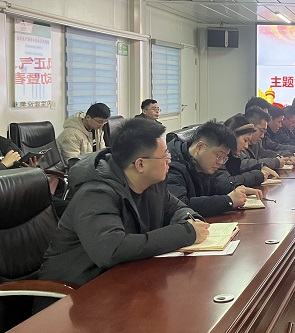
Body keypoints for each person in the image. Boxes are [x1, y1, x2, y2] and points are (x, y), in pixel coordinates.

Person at [37, 118, 208, 288]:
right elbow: (112, 249)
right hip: (74, 288)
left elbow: (177, 208)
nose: (169, 160)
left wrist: (190, 220)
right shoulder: (95, 194)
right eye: (165, 156)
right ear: (140, 164)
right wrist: (186, 232)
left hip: (122, 278)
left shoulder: (152, 183)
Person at [167, 120, 255, 217]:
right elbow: (180, 205)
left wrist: (235, 188)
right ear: (200, 147)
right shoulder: (171, 165)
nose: (220, 162)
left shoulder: (199, 162)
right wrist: (228, 201)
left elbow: (214, 183)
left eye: (224, 158)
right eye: (219, 156)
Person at [221, 113, 279, 185]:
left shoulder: (233, 154)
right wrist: (258, 175)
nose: (246, 146)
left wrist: (260, 167)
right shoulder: (219, 156)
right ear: (232, 137)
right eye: (245, 140)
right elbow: (226, 182)